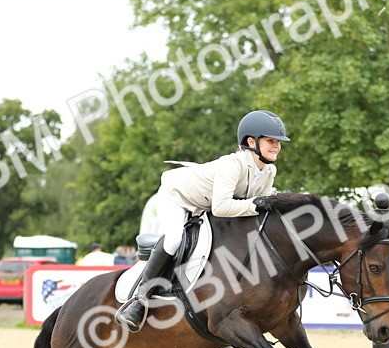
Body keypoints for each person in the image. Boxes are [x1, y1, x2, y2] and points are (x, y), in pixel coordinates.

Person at [115, 110, 288, 331]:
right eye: (271, 140)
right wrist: (257, 204)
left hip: (204, 205)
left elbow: (255, 212)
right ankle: (140, 300)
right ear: (251, 141)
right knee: (174, 240)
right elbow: (223, 206)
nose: (277, 146)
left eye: (278, 142)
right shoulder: (232, 164)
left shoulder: (268, 171)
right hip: (178, 198)